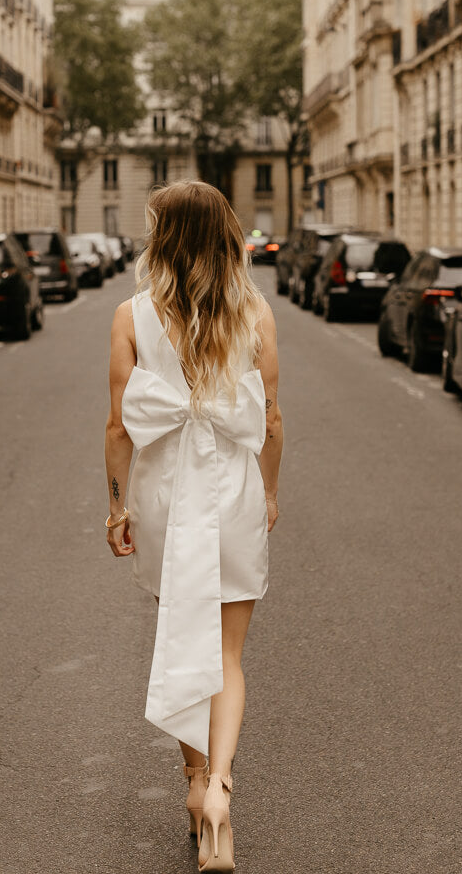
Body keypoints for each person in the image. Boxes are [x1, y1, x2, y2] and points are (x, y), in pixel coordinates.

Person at [104, 181, 283, 872]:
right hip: (233, 487)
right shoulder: (255, 311)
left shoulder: (130, 314)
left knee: (182, 635)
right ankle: (220, 793)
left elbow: (119, 425)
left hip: (164, 494)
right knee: (228, 656)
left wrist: (117, 505)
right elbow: (269, 419)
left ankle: (192, 783)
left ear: (163, 237)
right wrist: (267, 491)